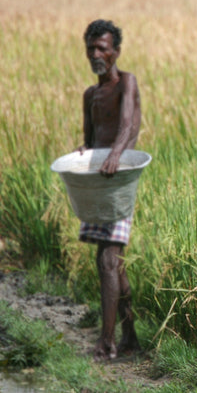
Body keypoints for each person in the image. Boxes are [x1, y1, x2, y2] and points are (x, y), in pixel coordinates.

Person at [77, 19, 142, 361]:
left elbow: (129, 124)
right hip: (97, 181)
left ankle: (107, 342)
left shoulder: (125, 83)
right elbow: (90, 139)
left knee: (107, 259)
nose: (96, 54)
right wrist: (83, 153)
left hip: (120, 179)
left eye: (102, 48)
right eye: (91, 48)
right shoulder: (91, 94)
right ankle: (130, 333)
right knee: (114, 264)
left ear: (116, 52)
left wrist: (116, 155)